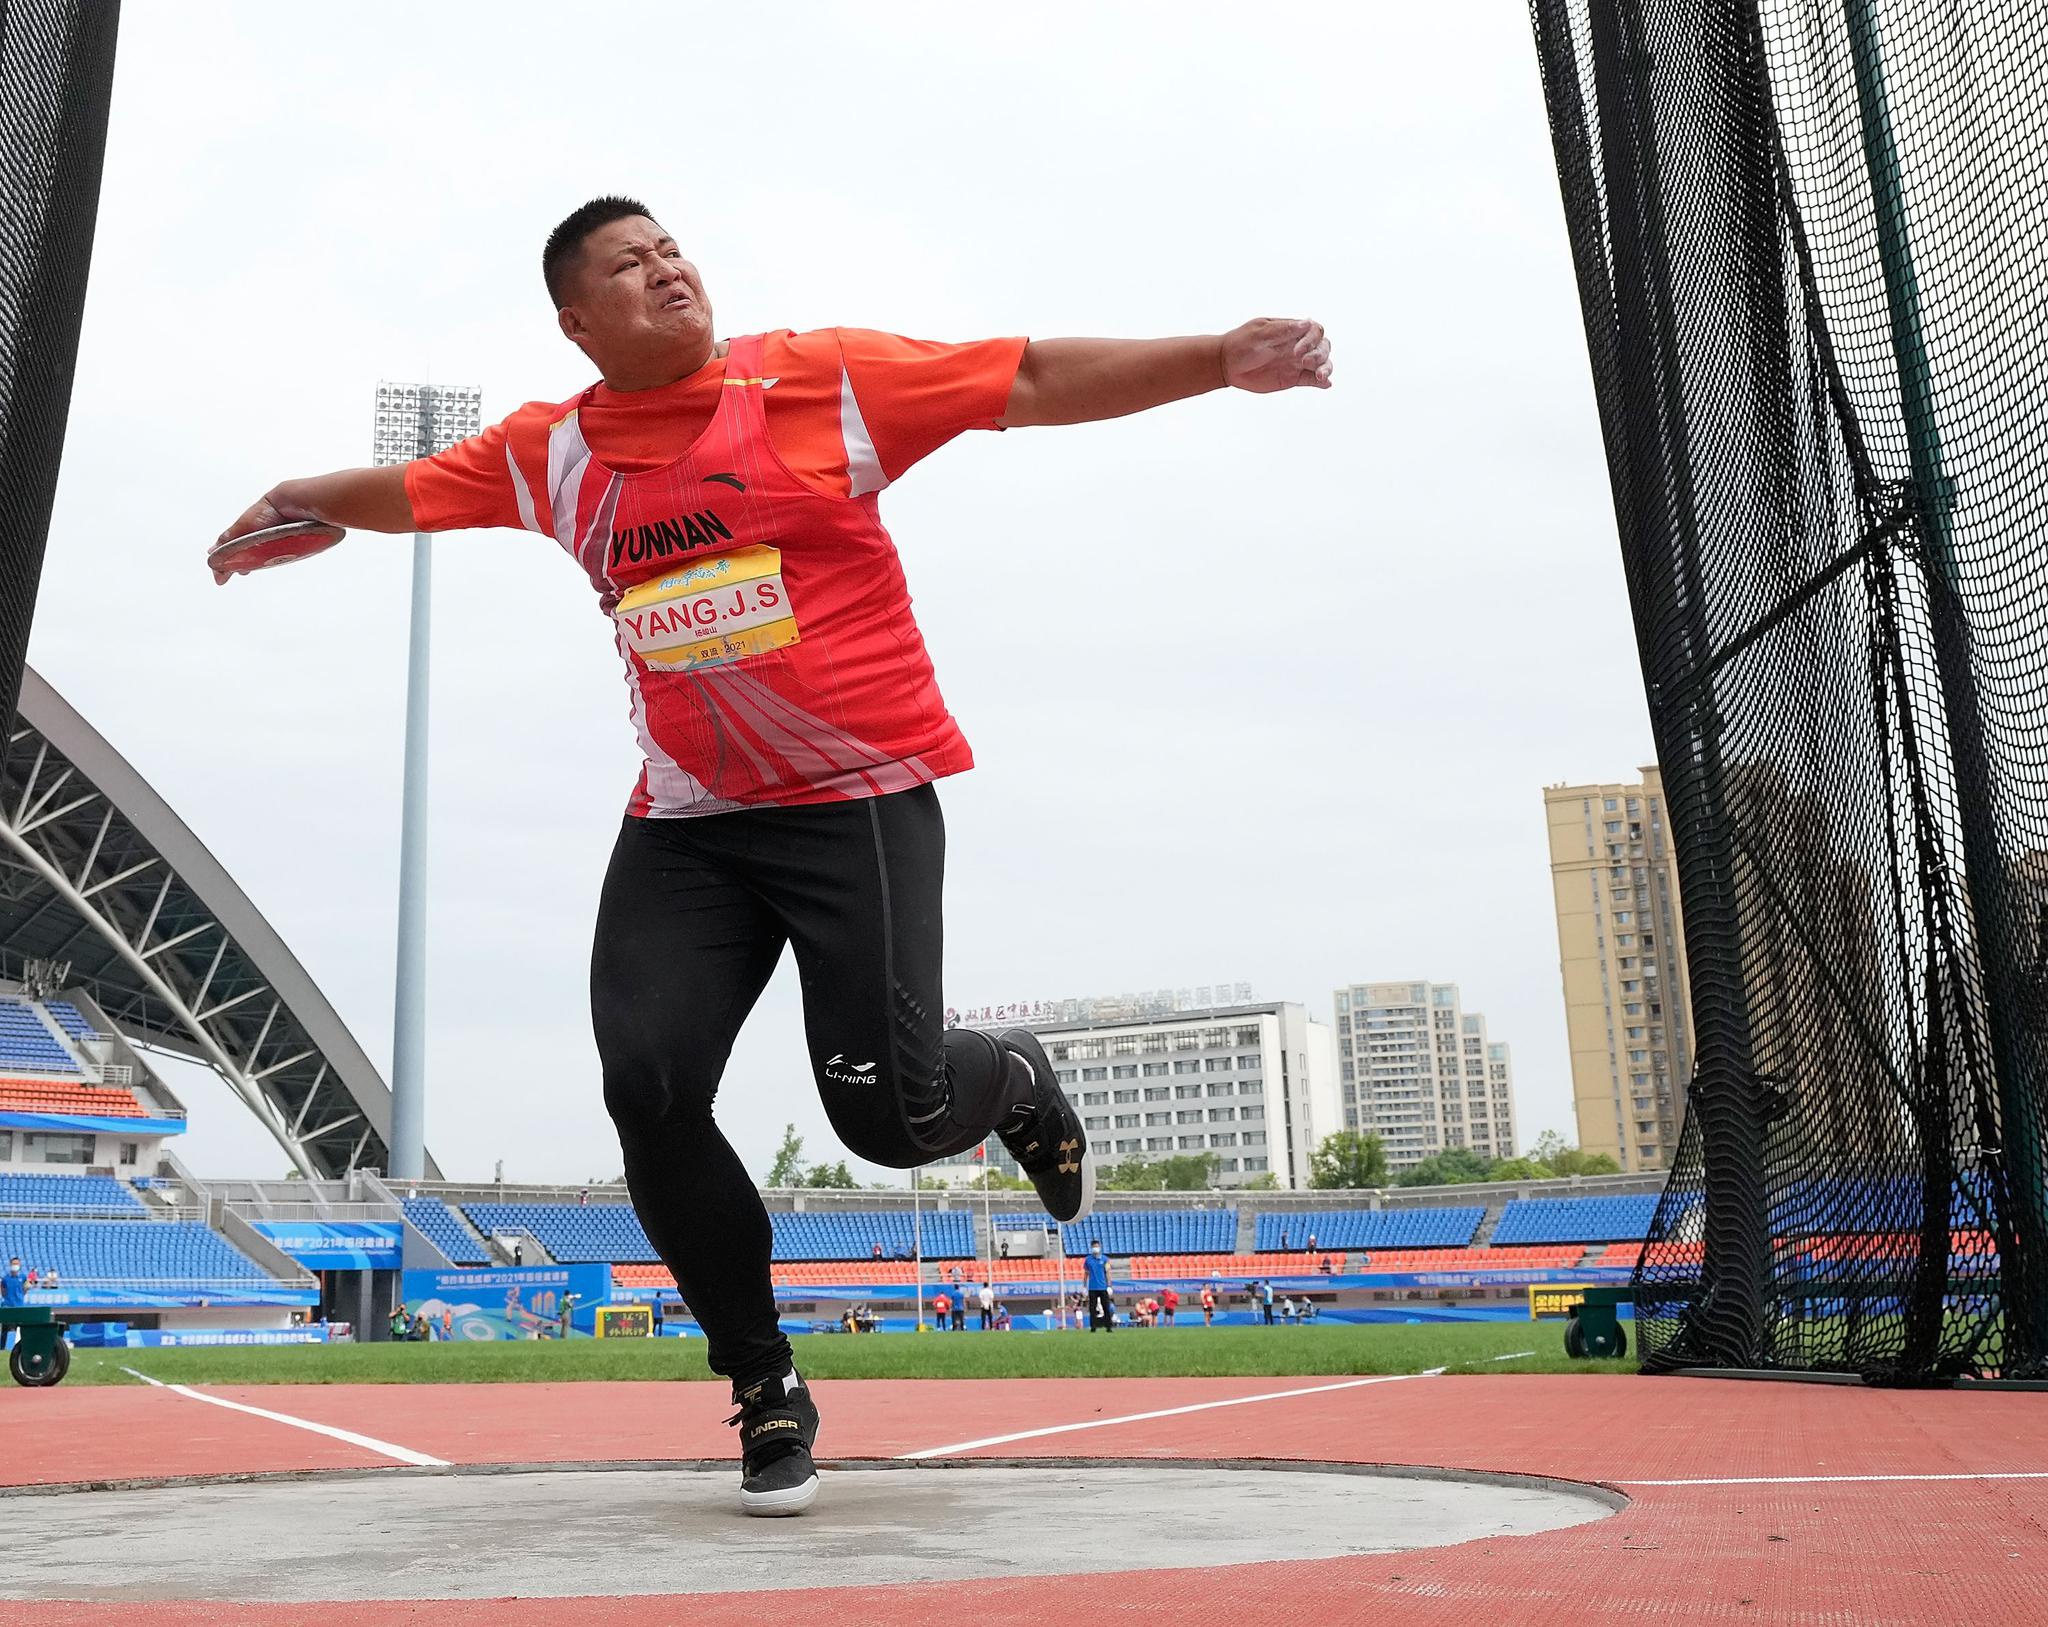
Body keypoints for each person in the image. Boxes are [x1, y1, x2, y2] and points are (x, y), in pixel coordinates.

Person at [216, 196, 1329, 1516]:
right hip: (687, 825)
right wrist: (298, 498)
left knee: (890, 1120)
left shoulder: (815, 382)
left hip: (856, 801)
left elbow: (1021, 377)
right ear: (581, 322)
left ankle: (1015, 1075)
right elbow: (407, 489)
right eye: (630, 267)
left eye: (672, 248)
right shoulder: (552, 454)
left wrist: (1216, 357)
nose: (668, 269)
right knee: (649, 1083)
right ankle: (762, 1381)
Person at [1084, 1239, 1113, 1331]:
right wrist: (1084, 1286)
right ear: (1091, 1248)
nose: (1095, 1248)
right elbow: (1086, 1273)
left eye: (1097, 1246)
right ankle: (1093, 1327)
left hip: (1103, 1287)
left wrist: (1109, 1285)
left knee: (1106, 1307)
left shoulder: (1105, 1259)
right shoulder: (1088, 1260)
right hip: (1092, 1287)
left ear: (1100, 1247)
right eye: (1094, 1246)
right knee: (1092, 1308)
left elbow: (1108, 1272)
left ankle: (1108, 1326)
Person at [1, 1255, 25, 1352]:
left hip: (19, 1306)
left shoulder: (23, 1277)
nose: (15, 1266)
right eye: (13, 1264)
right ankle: (2, 1348)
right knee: (5, 1328)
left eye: (17, 1264)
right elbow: (2, 1291)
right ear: (10, 1265)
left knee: (20, 1328)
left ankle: (20, 1348)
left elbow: (25, 1288)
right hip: (8, 1306)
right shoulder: (6, 1279)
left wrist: (19, 1297)